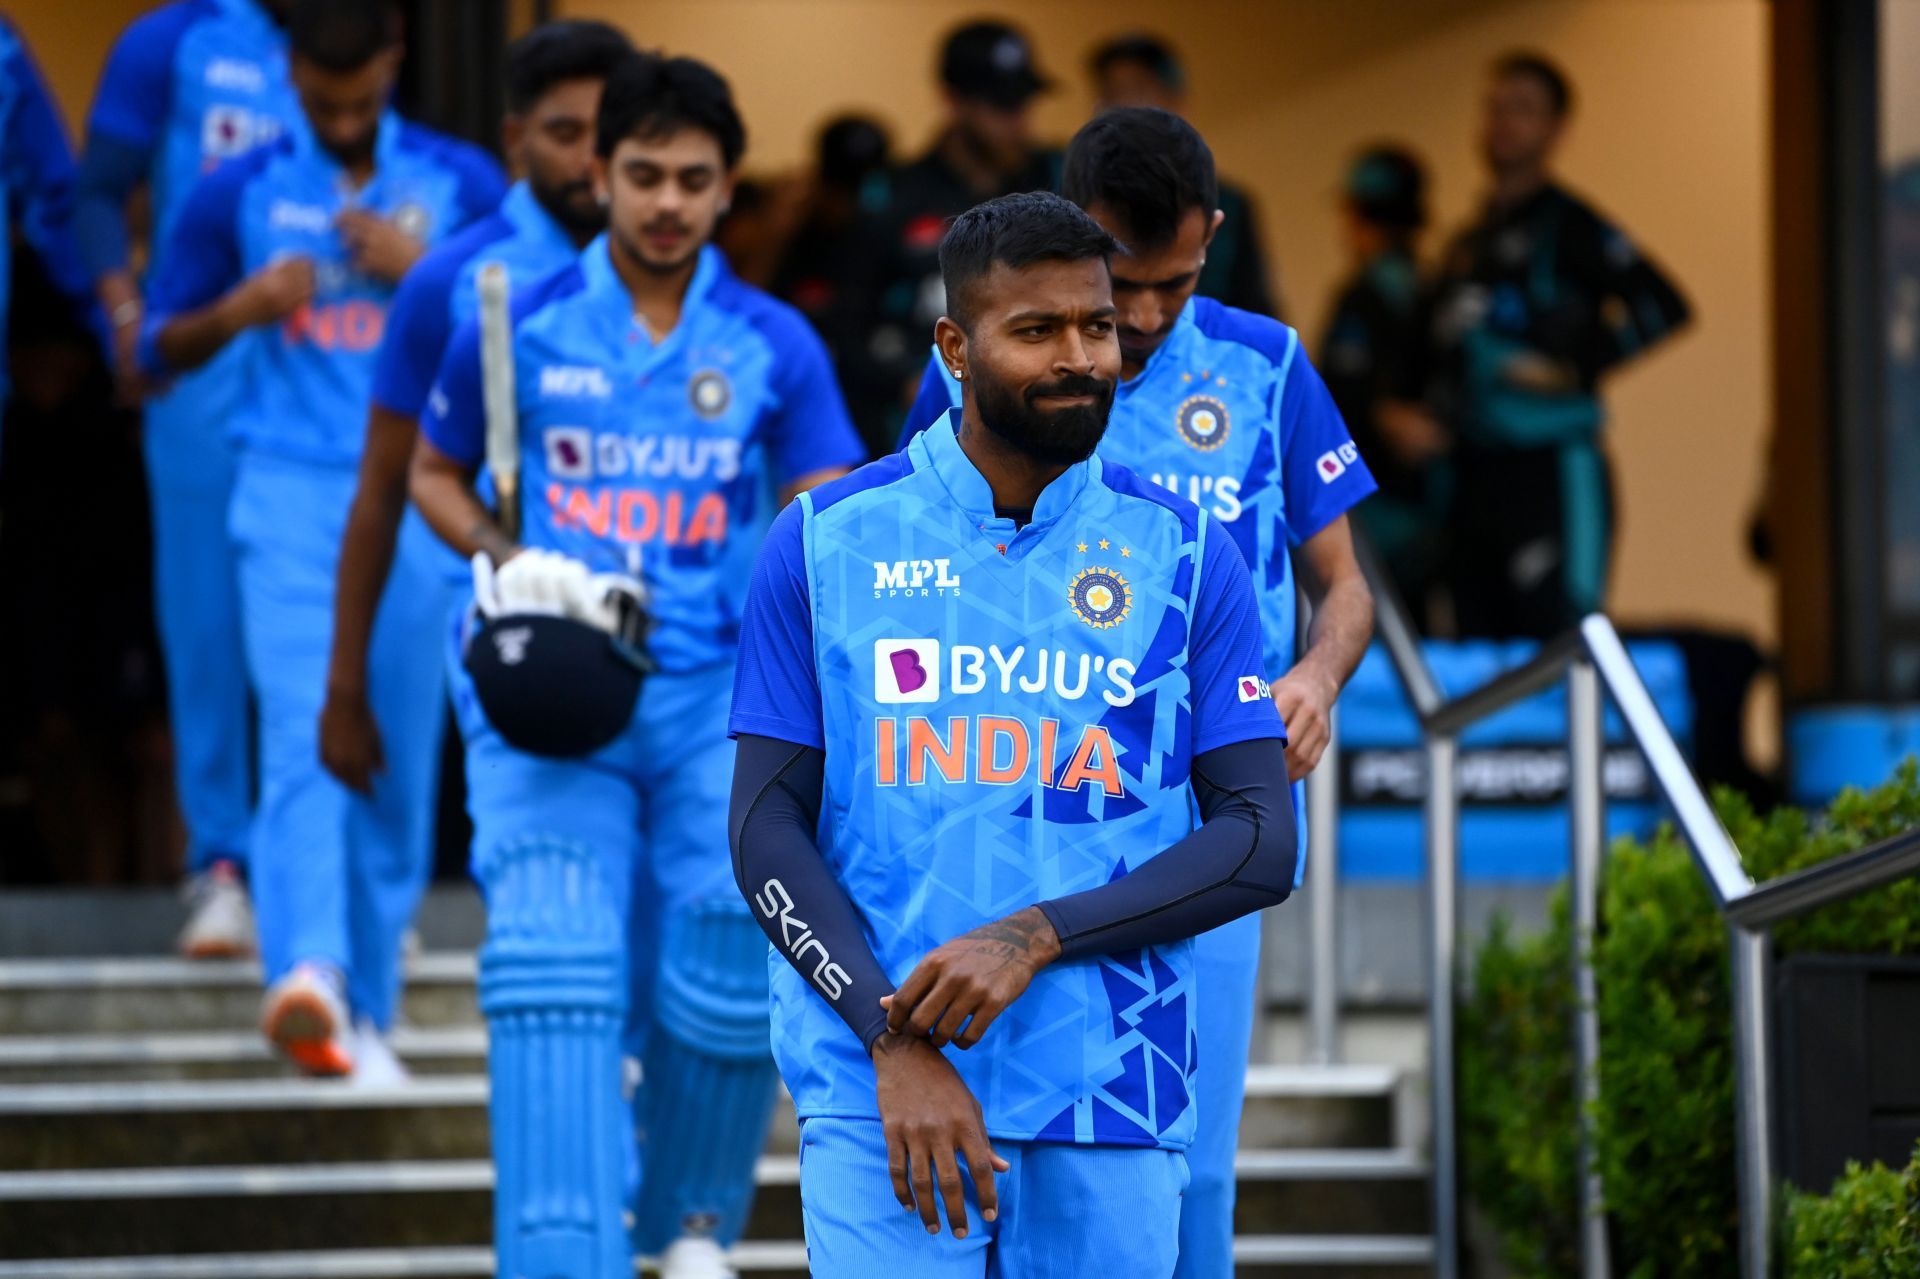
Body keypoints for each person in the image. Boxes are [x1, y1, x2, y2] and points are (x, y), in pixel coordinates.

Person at [729, 189, 1298, 1275]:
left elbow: (1261, 838)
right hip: (879, 1094)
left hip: (1115, 1086)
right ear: (955, 345)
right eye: (1036, 330)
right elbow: (765, 835)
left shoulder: (1189, 553)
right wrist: (890, 1038)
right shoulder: (821, 540)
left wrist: (1033, 934)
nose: (1080, 357)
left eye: (1096, 326)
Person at [897, 109, 1377, 1278]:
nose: (1147, 316)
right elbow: (919, 560)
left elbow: (1346, 585)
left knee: (1190, 1155)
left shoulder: (1267, 366)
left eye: (1176, 280)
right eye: (1124, 279)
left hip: (1206, 821)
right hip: (1018, 806)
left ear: (1213, 237)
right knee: (1011, 1138)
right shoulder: (991, 363)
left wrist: (1314, 674)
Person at [411, 51, 864, 1279]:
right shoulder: (518, 319)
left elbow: (829, 502)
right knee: (557, 955)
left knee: (727, 940)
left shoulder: (773, 340)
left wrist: (783, 585)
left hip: (718, 689)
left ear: (729, 192)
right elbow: (433, 472)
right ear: (597, 174)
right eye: (644, 174)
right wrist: (513, 557)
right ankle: (562, 1257)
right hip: (549, 681)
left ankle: (686, 1228)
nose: (668, 201)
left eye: (696, 180)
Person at [139, 0, 505, 1078]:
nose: (343, 117)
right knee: (306, 726)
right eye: (320, 97)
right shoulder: (234, 192)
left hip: (420, 494)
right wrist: (240, 308)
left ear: (395, 63)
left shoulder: (460, 182)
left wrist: (422, 269)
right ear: (287, 70)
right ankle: (308, 969)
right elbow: (158, 348)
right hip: (290, 493)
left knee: (392, 748)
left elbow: (532, 323)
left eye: (362, 99)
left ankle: (369, 1007)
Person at [319, 18, 632, 808]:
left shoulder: (691, 283)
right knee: (553, 892)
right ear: (516, 139)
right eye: (565, 132)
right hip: (521, 622)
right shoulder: (449, 280)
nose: (589, 157)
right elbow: (385, 485)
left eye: (609, 132)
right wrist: (345, 682)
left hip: (684, 641)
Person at [76, 0, 296, 958]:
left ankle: (334, 874)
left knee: (335, 633)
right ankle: (223, 866)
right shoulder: (175, 38)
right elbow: (92, 193)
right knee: (207, 624)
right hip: (199, 377)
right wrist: (123, 314)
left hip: (327, 383)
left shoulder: (357, 40)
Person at [1415, 51, 1690, 636]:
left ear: (1555, 129)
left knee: (1566, 644)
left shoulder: (1572, 224)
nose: (1503, 123)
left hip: (1552, 472)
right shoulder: (1469, 241)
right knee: (1472, 659)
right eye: (1494, 108)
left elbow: (1666, 306)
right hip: (1471, 478)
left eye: (1523, 109)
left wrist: (1573, 366)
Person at [855, 20, 1058, 453]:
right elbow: (847, 327)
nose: (1017, 121)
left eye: (1023, 102)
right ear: (953, 99)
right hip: (914, 437)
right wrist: (905, 379)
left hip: (1034, 430)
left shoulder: (1052, 187)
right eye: (1001, 104)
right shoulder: (891, 196)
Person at [1320, 145, 1446, 627]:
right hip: (1435, 512)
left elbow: (1335, 401)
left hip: (1378, 517)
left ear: (1356, 213)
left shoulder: (1365, 294)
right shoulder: (1438, 287)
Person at [1089, 32, 1279, 319]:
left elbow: (1255, 311)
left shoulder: (1228, 205)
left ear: (1174, 101)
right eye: (1108, 94)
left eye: (1134, 91)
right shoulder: (1081, 202)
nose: (1117, 107)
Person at [771, 114, 894, 456]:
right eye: (842, 187)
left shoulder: (884, 239)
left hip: (873, 415)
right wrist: (777, 231)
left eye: (862, 188)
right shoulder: (793, 240)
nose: (851, 201)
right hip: (800, 412)